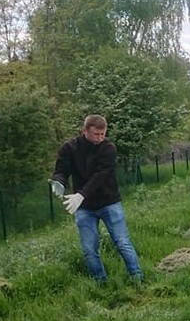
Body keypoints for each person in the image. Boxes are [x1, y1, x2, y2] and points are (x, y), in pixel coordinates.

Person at [49, 114, 143, 284]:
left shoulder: (108, 148)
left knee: (122, 242)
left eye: (103, 134)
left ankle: (137, 277)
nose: (100, 138)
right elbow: (61, 169)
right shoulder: (69, 148)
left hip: (109, 202)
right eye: (96, 134)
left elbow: (100, 176)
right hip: (84, 207)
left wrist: (81, 195)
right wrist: (59, 182)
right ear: (85, 131)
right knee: (89, 249)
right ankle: (100, 282)